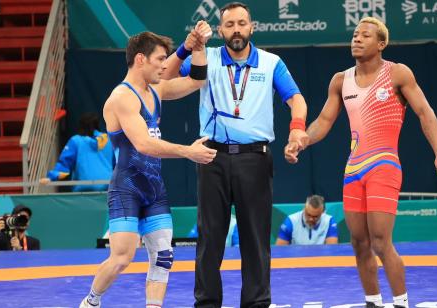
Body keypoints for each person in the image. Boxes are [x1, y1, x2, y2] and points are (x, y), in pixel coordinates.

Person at [286, 17, 437, 308]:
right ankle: (372, 302)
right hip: (353, 169)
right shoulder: (341, 80)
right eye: (354, 34)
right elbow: (324, 121)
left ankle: (400, 302)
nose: (357, 39)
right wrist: (302, 140)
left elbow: (425, 113)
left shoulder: (398, 74)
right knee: (359, 243)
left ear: (382, 43)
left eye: (365, 35)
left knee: (380, 241)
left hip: (383, 164)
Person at [177, 2, 309, 307]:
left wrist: (297, 128)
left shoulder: (271, 62)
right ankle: (207, 303)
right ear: (221, 30)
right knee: (210, 237)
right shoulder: (206, 58)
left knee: (256, 238)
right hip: (211, 157)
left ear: (252, 27)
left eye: (242, 23)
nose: (236, 29)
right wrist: (186, 48)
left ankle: (257, 303)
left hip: (255, 158)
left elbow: (297, 99)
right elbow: (165, 73)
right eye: (230, 24)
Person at [79, 23, 217, 308]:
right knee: (122, 257)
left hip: (154, 187)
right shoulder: (122, 97)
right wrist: (187, 151)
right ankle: (92, 302)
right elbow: (143, 144)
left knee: (163, 256)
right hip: (127, 188)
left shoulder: (157, 89)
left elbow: (197, 80)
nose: (164, 66)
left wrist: (197, 46)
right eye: (159, 60)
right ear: (140, 59)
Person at [40, 112, 114, 192]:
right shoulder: (110, 141)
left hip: (83, 191)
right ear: (97, 124)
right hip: (107, 188)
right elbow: (119, 164)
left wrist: (51, 178)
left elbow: (65, 162)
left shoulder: (76, 141)